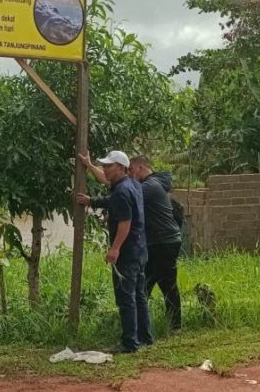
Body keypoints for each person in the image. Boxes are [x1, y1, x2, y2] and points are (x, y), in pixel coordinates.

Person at [76, 150, 152, 353]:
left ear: (120, 168)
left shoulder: (121, 192)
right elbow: (106, 186)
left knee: (126, 297)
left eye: (109, 166)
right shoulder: (132, 184)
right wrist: (89, 165)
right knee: (138, 294)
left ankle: (129, 343)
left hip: (127, 253)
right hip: (140, 249)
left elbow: (125, 224)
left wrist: (114, 249)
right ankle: (145, 337)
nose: (105, 170)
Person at [128, 155, 182, 331]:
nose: (129, 174)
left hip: (164, 242)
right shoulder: (151, 184)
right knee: (144, 283)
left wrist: (94, 201)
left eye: (131, 170)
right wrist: (90, 165)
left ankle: (174, 326)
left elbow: (126, 197)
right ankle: (142, 325)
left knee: (166, 283)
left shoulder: (149, 186)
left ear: (141, 168)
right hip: (157, 242)